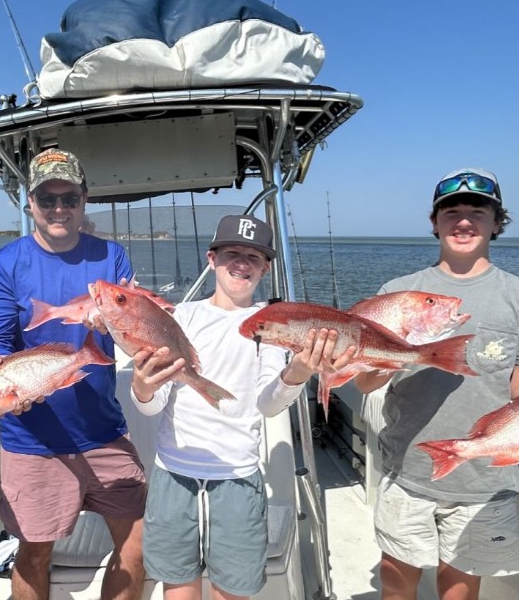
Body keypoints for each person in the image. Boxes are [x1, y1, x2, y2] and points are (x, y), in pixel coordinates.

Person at [354, 167, 519, 600]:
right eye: (451, 211)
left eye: (477, 211)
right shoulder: (398, 292)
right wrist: (393, 356)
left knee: (461, 587)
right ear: (434, 223)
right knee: (397, 582)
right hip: (407, 464)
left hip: (484, 477)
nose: (464, 221)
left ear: (496, 223)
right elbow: (364, 382)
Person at [129, 214, 354, 600]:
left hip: (237, 477)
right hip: (173, 474)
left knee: (232, 592)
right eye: (232, 252)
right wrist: (141, 388)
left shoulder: (273, 323)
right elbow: (152, 406)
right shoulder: (181, 317)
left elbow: (268, 405)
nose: (242, 263)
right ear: (211, 259)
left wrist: (298, 371)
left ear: (265, 268)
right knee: (177, 588)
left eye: (254, 256)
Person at [0, 148, 147, 600]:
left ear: (84, 200)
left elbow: (131, 330)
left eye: (68, 198)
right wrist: (8, 381)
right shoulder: (3, 264)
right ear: (28, 201)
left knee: (136, 544)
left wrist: (117, 324)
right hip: (32, 438)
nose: (58, 209)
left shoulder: (112, 257)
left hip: (103, 430)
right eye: (46, 199)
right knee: (34, 552)